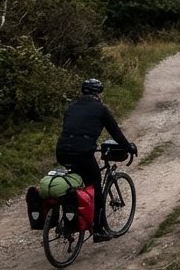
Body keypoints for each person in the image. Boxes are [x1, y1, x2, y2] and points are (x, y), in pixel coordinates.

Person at [56, 78, 136, 242]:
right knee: (95, 186)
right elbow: (115, 132)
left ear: (82, 92)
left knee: (74, 182)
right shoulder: (100, 109)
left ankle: (68, 218)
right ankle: (98, 231)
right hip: (82, 153)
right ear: (98, 94)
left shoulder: (71, 107)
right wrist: (128, 148)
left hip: (62, 151)